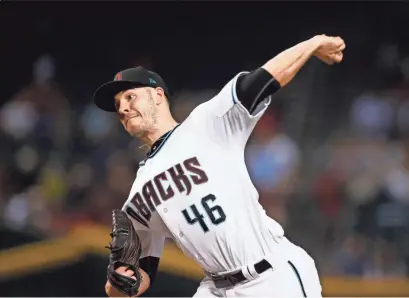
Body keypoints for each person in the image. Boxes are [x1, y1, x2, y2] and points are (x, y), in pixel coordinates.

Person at [93, 34, 345, 297]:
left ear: (157, 95)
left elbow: (262, 80)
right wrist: (120, 281)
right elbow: (135, 281)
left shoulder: (206, 123)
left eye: (130, 97)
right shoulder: (138, 196)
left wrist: (313, 44)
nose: (122, 108)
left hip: (271, 275)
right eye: (117, 104)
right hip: (216, 288)